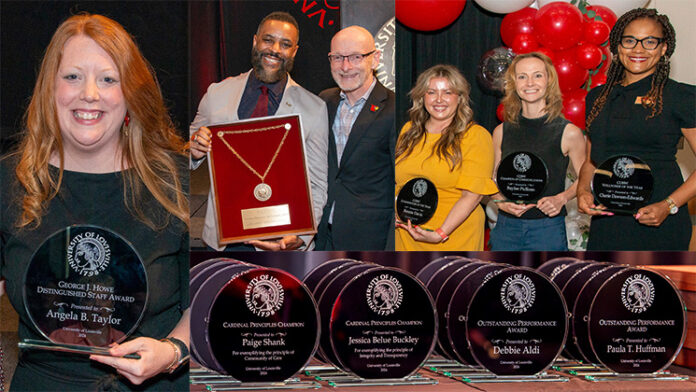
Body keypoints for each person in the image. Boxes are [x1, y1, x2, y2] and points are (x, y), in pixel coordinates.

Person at [0, 14, 189, 390]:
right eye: (72, 76)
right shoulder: (10, 179)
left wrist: (172, 351)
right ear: (50, 88)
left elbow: (211, 298)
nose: (89, 93)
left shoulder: (176, 181)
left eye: (108, 79)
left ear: (131, 93)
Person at [189, 11, 328, 251]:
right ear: (255, 41)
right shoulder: (217, 93)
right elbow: (186, 147)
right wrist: (192, 149)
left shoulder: (314, 108)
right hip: (222, 239)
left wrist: (302, 236)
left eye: (285, 44)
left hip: (279, 239)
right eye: (268, 40)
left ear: (294, 51)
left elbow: (317, 183)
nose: (274, 49)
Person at [577, 8, 696, 250]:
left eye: (649, 41)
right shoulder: (597, 97)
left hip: (659, 221)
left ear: (664, 49)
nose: (638, 49)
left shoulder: (680, 96)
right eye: (629, 40)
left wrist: (669, 205)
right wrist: (582, 191)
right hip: (607, 221)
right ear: (617, 45)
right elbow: (592, 160)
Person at [489, 52, 586, 251]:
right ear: (514, 83)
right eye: (522, 76)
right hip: (506, 227)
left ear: (549, 80)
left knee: (547, 282)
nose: (530, 82)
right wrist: (499, 201)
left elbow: (585, 178)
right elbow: (490, 179)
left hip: (547, 228)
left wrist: (562, 198)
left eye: (537, 75)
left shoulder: (568, 132)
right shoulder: (501, 131)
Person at [395, 64, 498, 251]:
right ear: (422, 97)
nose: (439, 100)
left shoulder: (475, 136)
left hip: (452, 237)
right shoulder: (408, 131)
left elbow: (472, 195)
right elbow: (398, 184)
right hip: (406, 235)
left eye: (448, 92)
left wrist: (440, 233)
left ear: (459, 98)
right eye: (432, 92)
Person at [315, 26, 396, 251]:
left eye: (356, 57)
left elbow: (400, 184)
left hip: (370, 239)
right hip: (322, 235)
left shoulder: (395, 109)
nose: (345, 66)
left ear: (375, 58)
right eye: (338, 58)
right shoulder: (323, 101)